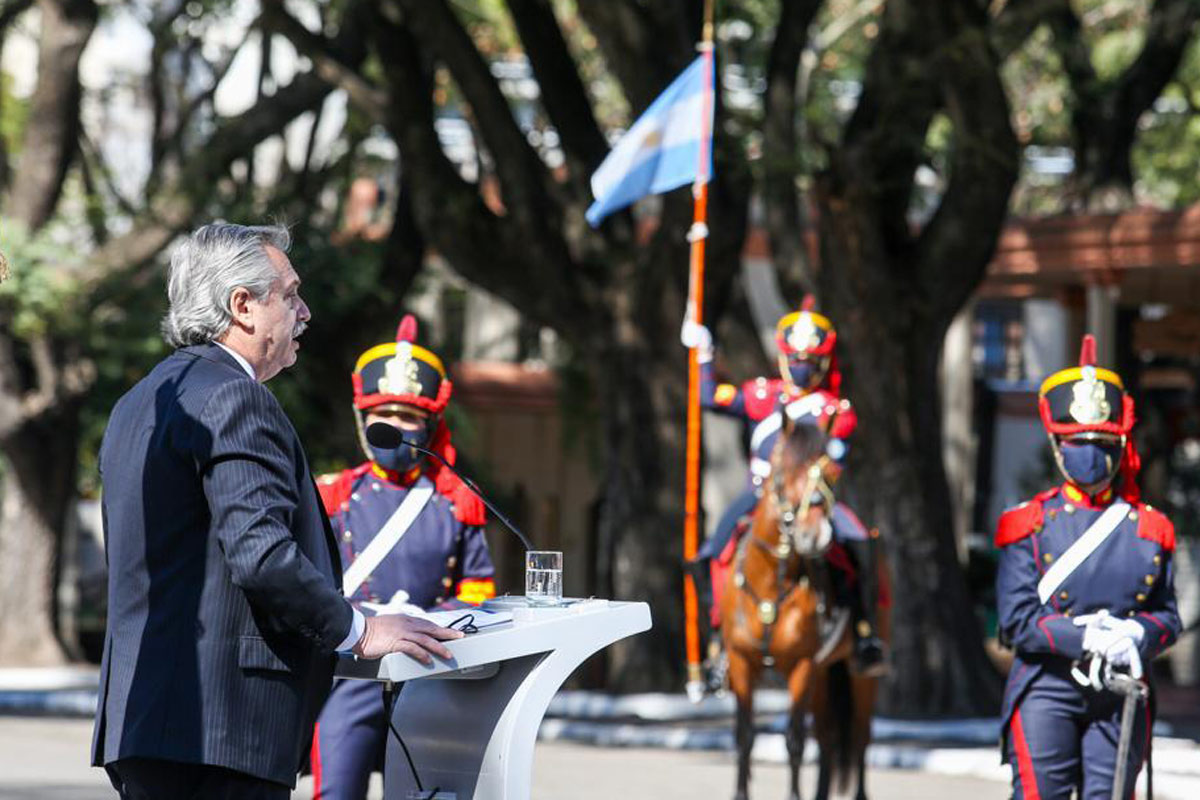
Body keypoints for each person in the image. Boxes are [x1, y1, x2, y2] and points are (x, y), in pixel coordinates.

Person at [91, 223, 463, 800]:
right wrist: (361, 630)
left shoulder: (139, 400)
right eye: (289, 295)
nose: (305, 311)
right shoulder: (235, 396)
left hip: (148, 722)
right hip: (221, 728)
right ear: (242, 306)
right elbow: (261, 555)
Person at [309, 314, 497, 799]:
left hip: (429, 674)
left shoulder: (459, 501)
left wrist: (434, 620)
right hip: (351, 670)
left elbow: (478, 588)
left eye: (409, 416)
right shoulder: (332, 496)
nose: (395, 426)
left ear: (429, 425)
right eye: (384, 414)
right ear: (363, 419)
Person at [995, 334, 1181, 799]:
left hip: (1121, 688)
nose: (1091, 452)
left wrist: (1137, 635)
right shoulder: (1029, 523)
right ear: (1058, 449)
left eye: (1102, 440)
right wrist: (1085, 637)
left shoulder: (1150, 528)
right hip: (1045, 686)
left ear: (1121, 446)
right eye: (1078, 441)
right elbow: (1017, 620)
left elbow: (1168, 615)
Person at [681, 300, 886, 681]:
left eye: (810, 359)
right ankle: (716, 639)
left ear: (823, 363)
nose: (802, 366)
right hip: (760, 497)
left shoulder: (834, 410)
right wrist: (705, 354)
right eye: (795, 357)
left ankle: (863, 633)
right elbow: (708, 398)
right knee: (709, 552)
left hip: (812, 501)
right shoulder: (762, 396)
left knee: (859, 543)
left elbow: (836, 461)